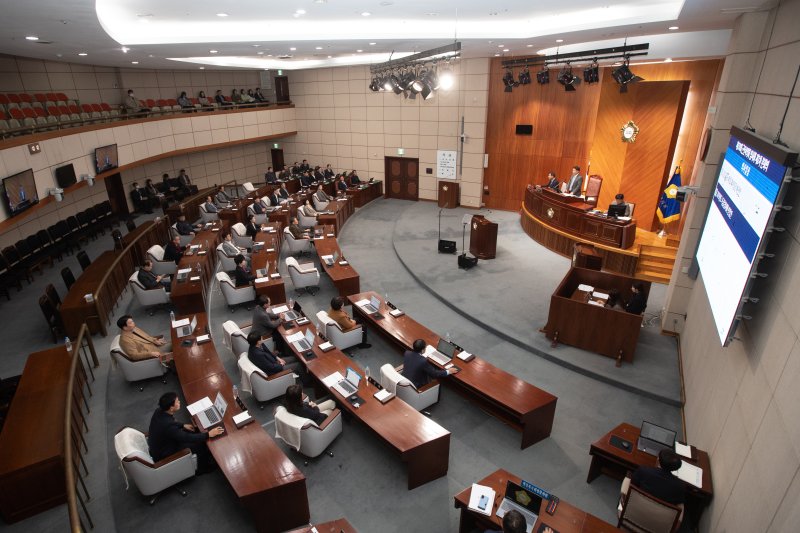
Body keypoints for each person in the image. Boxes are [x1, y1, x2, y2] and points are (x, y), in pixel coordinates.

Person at [148, 392, 223, 475]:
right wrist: (208, 434)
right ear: (171, 408)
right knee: (200, 445)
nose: (179, 402)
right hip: (165, 452)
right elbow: (186, 437)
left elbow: (171, 422)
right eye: (177, 401)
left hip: (160, 444)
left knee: (194, 432)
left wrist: (182, 425)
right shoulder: (169, 426)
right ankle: (203, 468)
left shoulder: (159, 411)